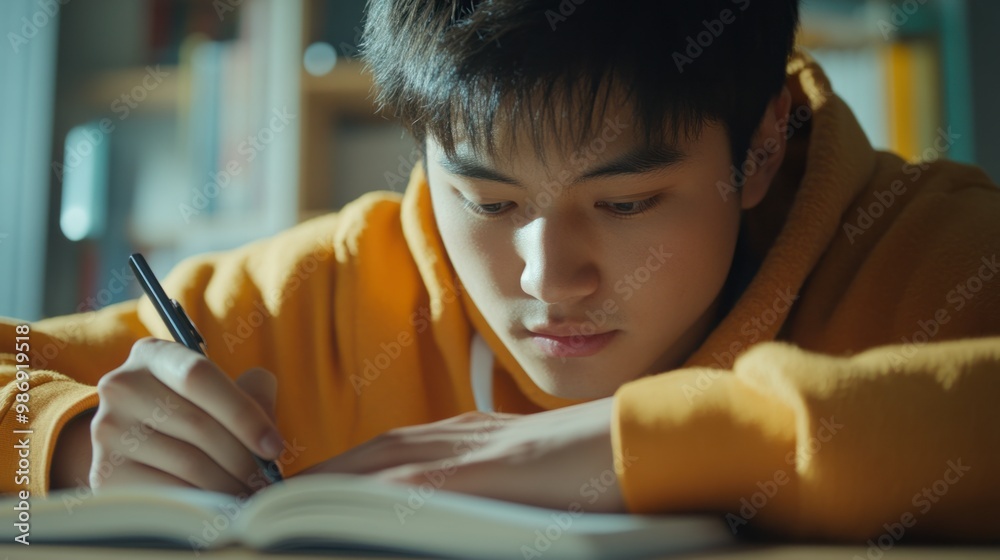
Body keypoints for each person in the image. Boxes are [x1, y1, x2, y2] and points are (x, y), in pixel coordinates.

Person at [2, 0, 998, 542]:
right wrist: (74, 440)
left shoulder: (930, 255)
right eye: (486, 200)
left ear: (764, 145)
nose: (545, 276)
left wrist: (635, 446)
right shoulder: (341, 287)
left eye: (624, 203)